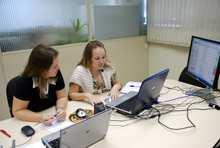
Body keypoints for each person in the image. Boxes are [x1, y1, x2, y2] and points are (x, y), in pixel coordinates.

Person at [12, 44, 68, 126]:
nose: (58, 68)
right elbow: (17, 111)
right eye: (54, 66)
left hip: (52, 116)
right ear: (42, 70)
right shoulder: (24, 82)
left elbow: (62, 97)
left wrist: (61, 109)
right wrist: (41, 118)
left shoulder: (56, 73)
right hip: (33, 122)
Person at [69, 40, 122, 104]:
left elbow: (118, 83)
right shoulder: (80, 71)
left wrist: (115, 88)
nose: (101, 62)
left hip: (107, 104)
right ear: (89, 59)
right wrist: (87, 95)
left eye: (103, 57)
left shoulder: (107, 67)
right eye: (97, 58)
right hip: (89, 106)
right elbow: (71, 94)